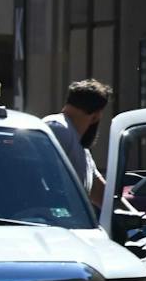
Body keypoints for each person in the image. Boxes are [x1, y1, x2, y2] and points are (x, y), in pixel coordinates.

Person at [44, 78, 112, 209]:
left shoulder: (81, 148)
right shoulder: (58, 129)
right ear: (96, 116)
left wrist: (136, 217)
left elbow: (100, 192)